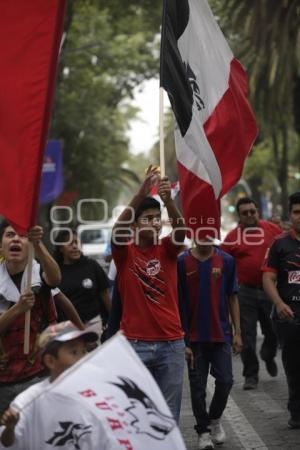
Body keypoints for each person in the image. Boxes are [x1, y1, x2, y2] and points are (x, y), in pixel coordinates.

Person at [110, 165, 186, 422]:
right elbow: (117, 231)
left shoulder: (167, 249)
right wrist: (141, 192)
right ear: (134, 224)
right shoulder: (124, 252)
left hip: (172, 345)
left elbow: (181, 232)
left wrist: (168, 202)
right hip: (135, 345)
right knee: (139, 417)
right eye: (147, 218)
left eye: (157, 218)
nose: (154, 222)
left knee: (168, 417)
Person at [178, 239, 242, 449]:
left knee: (225, 381)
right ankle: (203, 431)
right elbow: (176, 300)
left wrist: (237, 333)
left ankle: (214, 420)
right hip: (193, 338)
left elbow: (232, 297)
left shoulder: (226, 260)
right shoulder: (182, 261)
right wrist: (181, 337)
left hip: (221, 334)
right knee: (197, 388)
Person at [0, 321, 99, 447]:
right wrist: (10, 428)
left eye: (84, 351)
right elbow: (7, 443)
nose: (82, 359)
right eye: (74, 352)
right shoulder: (29, 401)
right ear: (50, 361)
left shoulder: (95, 396)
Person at [0, 221, 61, 417]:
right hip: (3, 381)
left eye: (23, 236)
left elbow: (55, 279)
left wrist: (39, 244)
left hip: (37, 375)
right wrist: (18, 309)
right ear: (1, 245)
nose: (16, 239)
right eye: (10, 235)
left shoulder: (38, 274)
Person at [221, 197, 281, 390]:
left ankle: (268, 355)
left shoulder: (272, 229)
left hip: (269, 289)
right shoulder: (232, 237)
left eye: (252, 211)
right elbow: (221, 261)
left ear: (257, 212)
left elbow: (285, 248)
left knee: (273, 330)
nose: (249, 215)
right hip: (244, 292)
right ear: (239, 216)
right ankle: (251, 375)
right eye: (245, 213)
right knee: (246, 334)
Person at [263, 192, 300, 429]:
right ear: (290, 215)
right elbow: (268, 278)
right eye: (297, 212)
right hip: (291, 318)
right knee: (295, 368)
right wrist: (278, 303)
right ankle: (296, 412)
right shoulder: (279, 243)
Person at [53, 229, 111, 335]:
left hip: (94, 325)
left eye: (76, 242)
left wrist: (114, 320)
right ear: (61, 248)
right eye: (70, 243)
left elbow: (105, 294)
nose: (75, 246)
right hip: (67, 329)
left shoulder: (92, 266)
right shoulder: (55, 272)